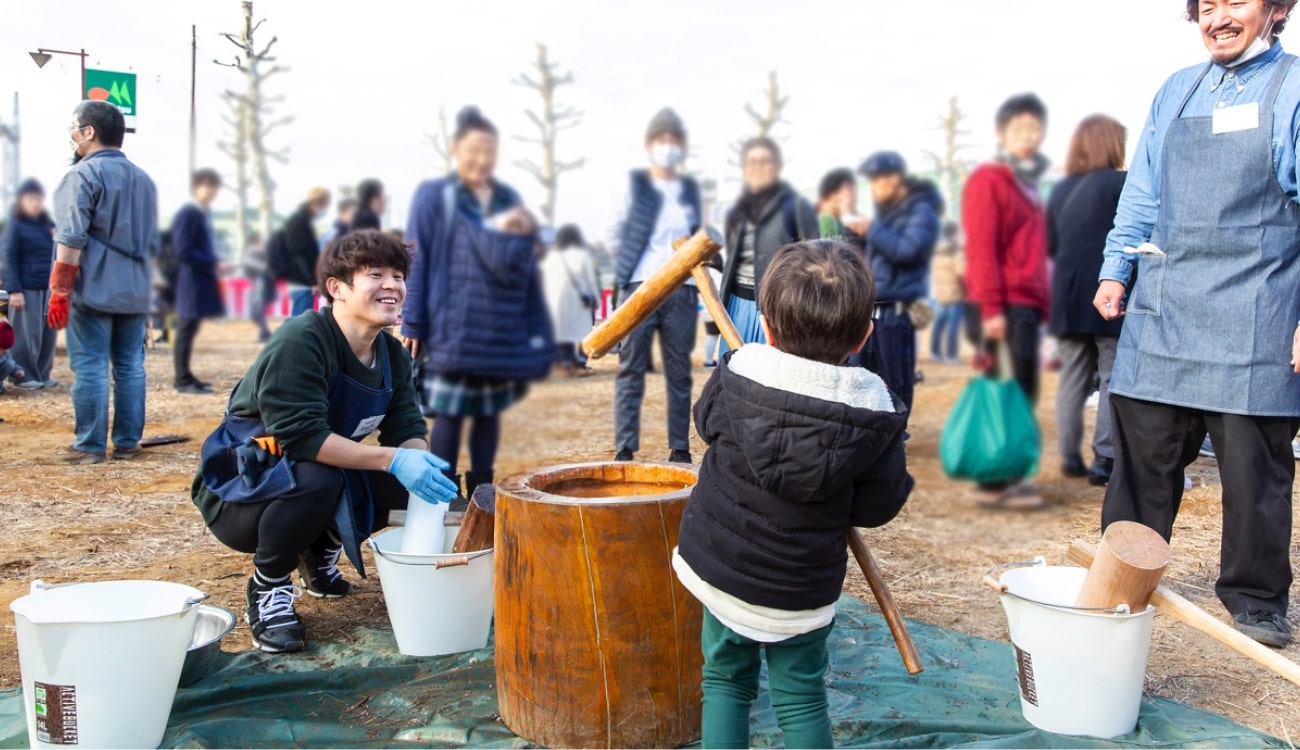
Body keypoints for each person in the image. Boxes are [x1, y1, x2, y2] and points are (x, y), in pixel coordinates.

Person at [1094, 0, 1300, 648]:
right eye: (1205, 6)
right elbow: (1143, 195)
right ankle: (1119, 581)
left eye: (1234, 1)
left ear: (1278, 9)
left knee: (1253, 473)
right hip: (1166, 307)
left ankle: (1257, 599)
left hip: (1257, 311)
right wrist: (1114, 269)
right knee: (1140, 467)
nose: (1216, 18)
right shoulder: (1176, 91)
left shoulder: (1294, 87)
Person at [673, 239, 912, 748]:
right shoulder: (876, 413)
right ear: (865, 334)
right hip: (798, 588)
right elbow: (877, 508)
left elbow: (704, 424)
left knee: (724, 682)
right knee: (801, 697)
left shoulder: (737, 371)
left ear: (769, 325)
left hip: (720, 568)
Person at [193, 230, 459, 653]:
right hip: (245, 490)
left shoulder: (392, 355)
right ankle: (269, 586)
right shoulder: (303, 339)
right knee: (319, 477)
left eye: (398, 275)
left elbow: (406, 428)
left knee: (414, 478)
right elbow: (301, 438)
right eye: (375, 274)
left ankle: (319, 554)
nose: (393, 286)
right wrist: (392, 460)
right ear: (336, 288)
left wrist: (418, 466)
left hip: (318, 473)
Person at [402, 106, 553, 502]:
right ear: (456, 150)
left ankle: (482, 489)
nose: (481, 160)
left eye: (489, 150)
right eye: (473, 150)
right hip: (452, 323)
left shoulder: (508, 199)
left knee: (489, 410)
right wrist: (413, 322)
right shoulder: (435, 196)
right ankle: (443, 489)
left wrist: (538, 330)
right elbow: (418, 257)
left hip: (500, 324)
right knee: (451, 411)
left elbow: (528, 270)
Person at [49, 101, 158, 465]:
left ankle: (90, 445)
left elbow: (70, 239)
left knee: (92, 365)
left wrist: (60, 291)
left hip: (93, 288)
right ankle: (128, 443)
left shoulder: (80, 176)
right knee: (130, 365)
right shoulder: (144, 180)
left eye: (75, 128)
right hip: (135, 290)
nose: (72, 135)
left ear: (89, 132)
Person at [961, 93, 1052, 510]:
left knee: (1020, 393)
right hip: (1003, 306)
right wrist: (991, 310)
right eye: (1019, 129)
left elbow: (1033, 253)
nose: (1029, 137)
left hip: (1024, 306)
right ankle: (995, 481)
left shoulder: (1025, 182)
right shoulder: (990, 179)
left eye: (1035, 128)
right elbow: (981, 248)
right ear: (1001, 133)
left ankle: (1007, 476)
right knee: (1004, 393)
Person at [606, 108, 703, 464]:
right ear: (650, 145)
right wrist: (629, 268)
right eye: (661, 140)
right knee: (631, 367)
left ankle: (680, 446)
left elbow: (698, 234)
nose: (668, 146)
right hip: (640, 287)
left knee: (679, 370)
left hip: (682, 287)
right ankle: (625, 446)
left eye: (674, 140)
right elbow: (613, 233)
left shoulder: (689, 189)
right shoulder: (634, 185)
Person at [1048, 115, 1127, 486]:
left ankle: (1068, 455)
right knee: (1113, 376)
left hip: (1065, 294)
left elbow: (1049, 244)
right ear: (1113, 144)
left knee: (1072, 379)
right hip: (1105, 292)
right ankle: (1105, 460)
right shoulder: (1121, 183)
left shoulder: (1062, 189)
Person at [856, 151, 944, 413]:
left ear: (895, 179)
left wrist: (872, 229)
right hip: (876, 303)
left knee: (895, 377)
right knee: (866, 371)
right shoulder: (888, 212)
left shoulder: (921, 211)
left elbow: (908, 251)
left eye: (877, 180)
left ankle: (898, 435)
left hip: (897, 307)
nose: (873, 187)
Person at [719, 137, 819, 349]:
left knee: (768, 376)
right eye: (752, 162)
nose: (758, 167)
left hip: (776, 306)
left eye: (765, 161)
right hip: (736, 305)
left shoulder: (796, 205)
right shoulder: (736, 210)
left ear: (777, 166)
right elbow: (731, 258)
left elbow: (814, 259)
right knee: (731, 371)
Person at [170, 168, 226, 395]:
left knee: (190, 329)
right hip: (191, 281)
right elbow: (183, 250)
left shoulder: (200, 213)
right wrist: (213, 262)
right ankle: (182, 379)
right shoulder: (189, 213)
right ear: (196, 188)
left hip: (199, 280)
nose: (211, 191)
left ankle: (186, 375)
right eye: (207, 185)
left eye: (214, 186)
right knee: (185, 328)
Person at [0, 178, 57, 389]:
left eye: (39, 199)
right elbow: (8, 257)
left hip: (48, 287)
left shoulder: (48, 225)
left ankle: (41, 374)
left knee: (46, 334)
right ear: (21, 201)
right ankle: (21, 375)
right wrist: (14, 289)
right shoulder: (15, 226)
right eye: (31, 199)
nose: (35, 203)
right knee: (26, 335)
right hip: (26, 287)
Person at [541, 224, 599, 377]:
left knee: (562, 332)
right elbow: (591, 281)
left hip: (557, 302)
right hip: (580, 301)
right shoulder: (582, 255)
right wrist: (596, 299)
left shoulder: (551, 256)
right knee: (584, 334)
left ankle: (564, 364)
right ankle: (580, 364)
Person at [271, 187, 330, 317]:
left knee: (299, 319)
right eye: (325, 204)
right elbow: (299, 255)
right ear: (318, 202)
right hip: (302, 280)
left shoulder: (301, 220)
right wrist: (312, 281)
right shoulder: (300, 222)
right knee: (300, 320)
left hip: (299, 278)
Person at [929, 222, 965, 364]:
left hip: (940, 293)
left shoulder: (937, 250)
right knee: (953, 326)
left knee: (939, 323)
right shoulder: (955, 250)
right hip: (955, 293)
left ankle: (935, 352)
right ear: (954, 234)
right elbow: (961, 273)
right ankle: (951, 355)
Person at [815, 167, 869, 247]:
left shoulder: (841, 220)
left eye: (854, 193)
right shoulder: (827, 220)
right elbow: (832, 252)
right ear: (832, 195)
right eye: (848, 194)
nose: (853, 198)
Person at [242, 232, 274, 343]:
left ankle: (265, 333)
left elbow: (267, 267)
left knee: (257, 311)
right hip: (256, 283)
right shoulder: (253, 253)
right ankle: (265, 332)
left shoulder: (263, 253)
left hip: (261, 284)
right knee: (255, 312)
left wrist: (250, 262)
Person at [0, 319, 27, 391]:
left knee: (9, 364)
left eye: (3, 350)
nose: (1, 352)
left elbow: (10, 361)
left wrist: (17, 370)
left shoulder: (4, 353)